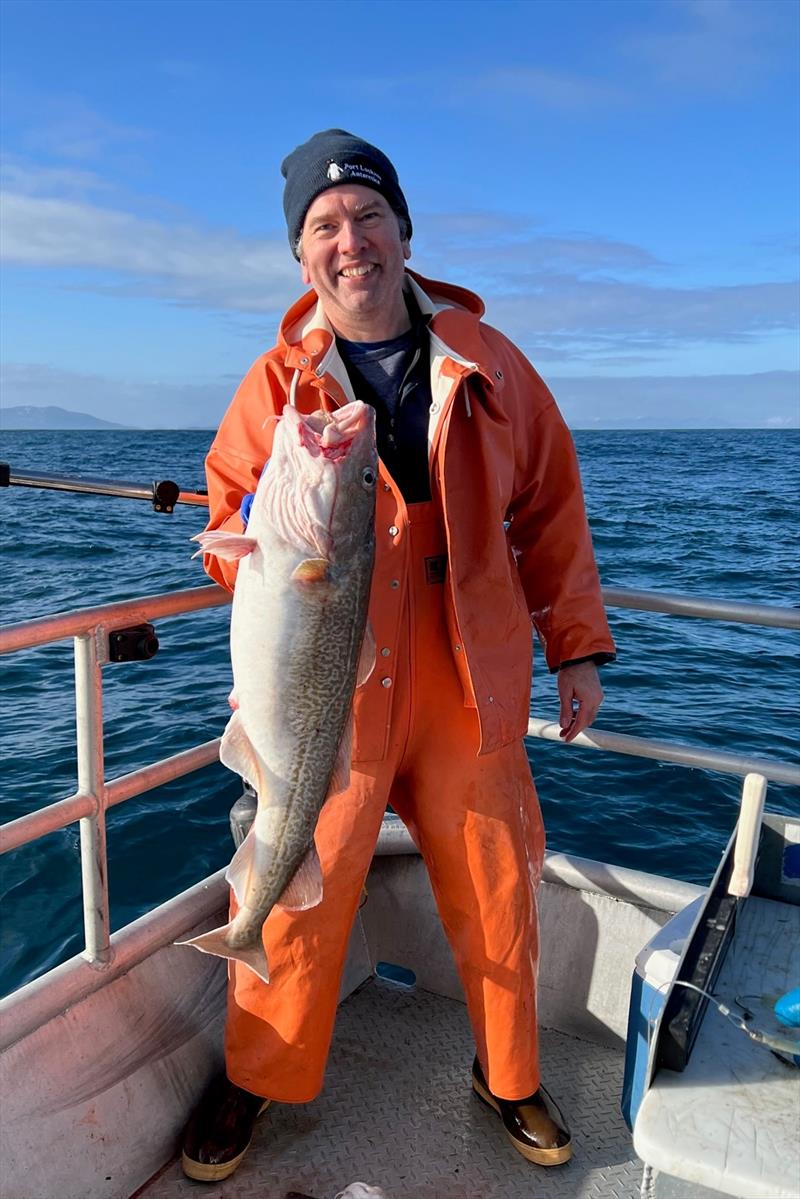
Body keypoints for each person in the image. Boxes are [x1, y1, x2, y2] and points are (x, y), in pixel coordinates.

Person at [182, 129, 616, 1183]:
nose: (350, 241)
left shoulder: (493, 359)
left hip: (470, 666)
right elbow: (227, 508)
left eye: (368, 215)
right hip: (338, 667)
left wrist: (575, 647)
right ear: (300, 256)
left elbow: (551, 509)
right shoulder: (277, 380)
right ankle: (258, 1070)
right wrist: (242, 552)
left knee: (494, 873)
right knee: (299, 868)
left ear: (405, 229)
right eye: (323, 227)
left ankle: (508, 1074)